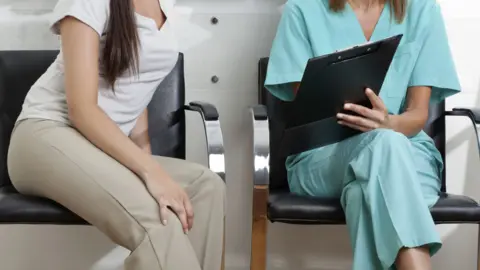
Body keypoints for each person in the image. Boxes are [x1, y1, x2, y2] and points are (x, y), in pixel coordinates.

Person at [7, 0, 226, 269]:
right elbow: (82, 110)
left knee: (206, 187)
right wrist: (150, 172)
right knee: (158, 223)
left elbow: (136, 87)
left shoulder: (165, 3)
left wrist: (145, 162)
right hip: (45, 135)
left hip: (101, 148)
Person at [265, 0, 461, 269]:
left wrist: (388, 123)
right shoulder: (302, 9)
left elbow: (417, 115)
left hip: (409, 157)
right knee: (383, 146)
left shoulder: (422, 9)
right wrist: (379, 132)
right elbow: (312, 114)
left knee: (363, 191)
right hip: (324, 158)